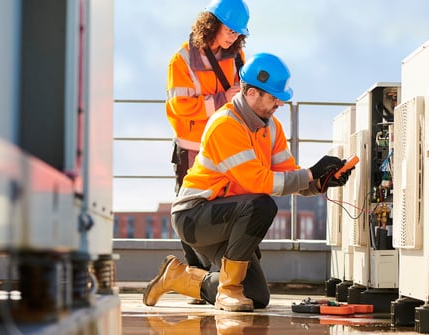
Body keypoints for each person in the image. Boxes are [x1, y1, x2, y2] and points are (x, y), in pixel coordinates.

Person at [144, 53, 353, 312]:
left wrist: (320, 182)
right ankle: (227, 291)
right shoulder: (225, 125)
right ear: (252, 93)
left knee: (256, 297)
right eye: (274, 97)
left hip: (228, 217)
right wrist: (310, 174)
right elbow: (258, 182)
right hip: (195, 216)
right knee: (263, 205)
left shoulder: (271, 127)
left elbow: (287, 173)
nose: (279, 103)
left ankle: (178, 277)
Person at [165, 0, 249, 302]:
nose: (233, 37)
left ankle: (214, 279)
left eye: (238, 33)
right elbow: (180, 106)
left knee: (224, 207)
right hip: (192, 148)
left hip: (224, 146)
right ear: (211, 24)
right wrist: (222, 98)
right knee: (190, 211)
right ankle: (195, 278)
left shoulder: (237, 55)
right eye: (229, 30)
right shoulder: (183, 59)